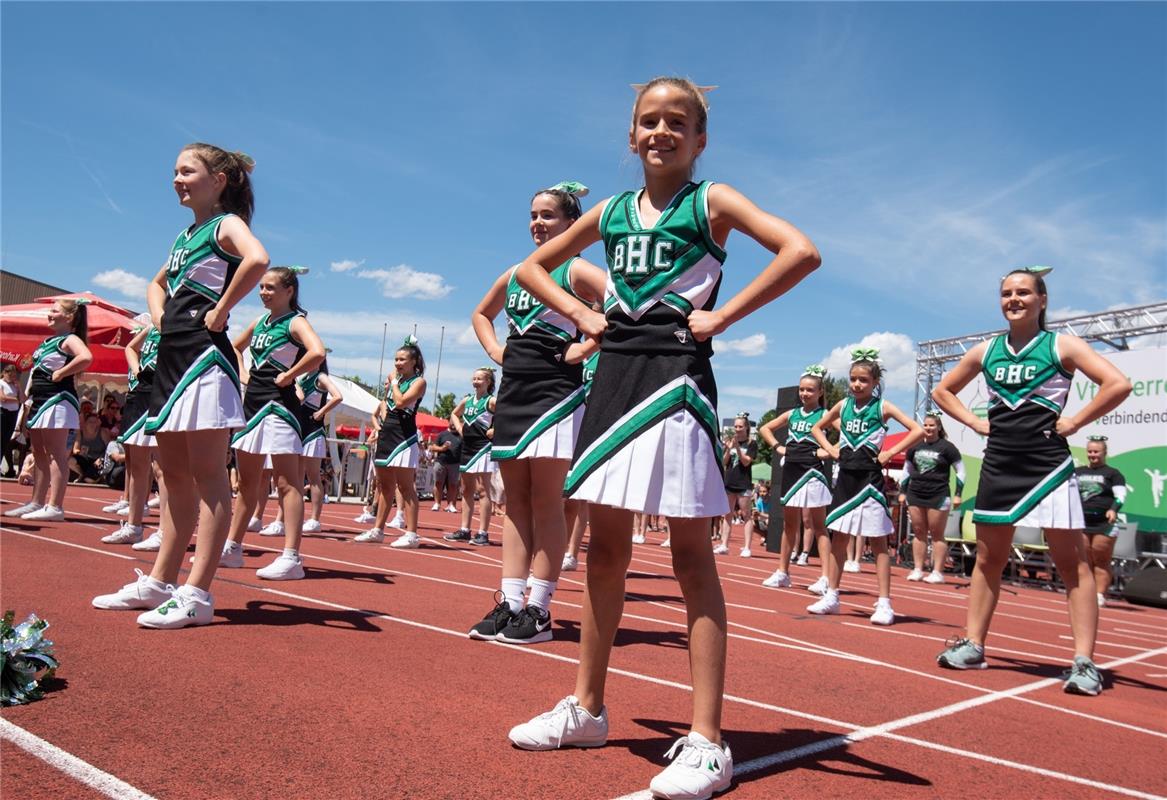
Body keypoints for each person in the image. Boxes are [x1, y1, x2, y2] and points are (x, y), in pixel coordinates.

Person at [507, 77, 821, 800]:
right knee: (605, 550)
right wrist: (584, 318)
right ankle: (586, 708)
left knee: (688, 557)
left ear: (700, 138)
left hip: (677, 380)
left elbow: (799, 251)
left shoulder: (711, 202)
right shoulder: (613, 211)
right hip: (613, 380)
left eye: (676, 122)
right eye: (648, 121)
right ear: (630, 135)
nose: (660, 132)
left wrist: (725, 315)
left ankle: (708, 741)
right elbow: (532, 267)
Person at [932, 266, 1131, 695]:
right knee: (988, 560)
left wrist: (1077, 419)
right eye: (1006, 293)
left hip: (1048, 467)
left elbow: (1118, 383)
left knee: (1071, 565)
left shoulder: (1062, 345)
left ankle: (1083, 663)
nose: (1013, 299)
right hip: (999, 466)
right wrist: (973, 422)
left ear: (1042, 298)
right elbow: (942, 391)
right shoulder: (986, 351)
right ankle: (974, 645)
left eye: (1023, 292)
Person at [98, 143, 269, 629]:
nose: (176, 178)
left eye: (187, 170)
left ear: (219, 179)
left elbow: (258, 259)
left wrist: (220, 309)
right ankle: (159, 581)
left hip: (204, 359)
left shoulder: (225, 225)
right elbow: (155, 285)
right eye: (174, 170)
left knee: (209, 477)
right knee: (171, 476)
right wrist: (158, 320)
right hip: (171, 359)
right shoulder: (184, 236)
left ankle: (197, 593)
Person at [467, 182, 606, 645]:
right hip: (515, 391)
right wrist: (496, 351)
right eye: (533, 214)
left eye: (548, 215)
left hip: (555, 394)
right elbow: (481, 314)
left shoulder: (578, 270)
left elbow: (619, 307)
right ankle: (510, 603)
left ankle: (541, 610)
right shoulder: (517, 273)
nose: (538, 223)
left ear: (572, 224)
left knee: (548, 501)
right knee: (515, 502)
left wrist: (584, 348)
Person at [220, 266, 325, 579]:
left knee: (286, 482)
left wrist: (290, 375)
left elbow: (317, 352)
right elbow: (235, 347)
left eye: (270, 287)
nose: (263, 292)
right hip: (252, 404)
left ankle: (292, 556)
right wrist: (242, 373)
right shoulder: (259, 322)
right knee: (247, 483)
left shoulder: (296, 321)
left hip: (280, 406)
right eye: (261, 287)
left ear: (289, 290)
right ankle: (233, 547)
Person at [809, 349, 923, 625]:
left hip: (870, 480)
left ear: (874, 382)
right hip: (846, 478)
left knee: (879, 541)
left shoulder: (883, 407)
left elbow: (916, 430)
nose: (857, 384)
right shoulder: (842, 406)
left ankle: (884, 603)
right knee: (839, 539)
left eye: (863, 380)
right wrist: (830, 448)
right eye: (853, 379)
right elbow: (817, 427)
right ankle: (832, 595)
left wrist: (888, 452)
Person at [5, 299, 92, 521]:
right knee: (39, 452)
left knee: (55, 453)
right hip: (39, 400)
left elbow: (86, 357)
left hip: (58, 400)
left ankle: (55, 506)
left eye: (55, 311)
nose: (49, 314)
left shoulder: (70, 339)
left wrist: (62, 373)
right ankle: (36, 502)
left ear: (69, 317)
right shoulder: (48, 341)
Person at [759, 365, 831, 591]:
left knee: (819, 525)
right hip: (791, 469)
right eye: (802, 390)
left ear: (820, 392)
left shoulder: (825, 415)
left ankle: (826, 578)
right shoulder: (792, 414)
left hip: (812, 471)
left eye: (810, 390)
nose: (804, 394)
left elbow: (848, 433)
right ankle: (783, 572)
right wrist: (778, 447)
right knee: (789, 524)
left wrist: (828, 451)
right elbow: (765, 429)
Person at [355, 338, 427, 547]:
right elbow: (386, 406)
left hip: (404, 436)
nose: (397, 363)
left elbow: (402, 401)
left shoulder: (418, 382)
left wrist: (394, 383)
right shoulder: (396, 381)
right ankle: (378, 529)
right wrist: (379, 427)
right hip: (388, 433)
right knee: (384, 484)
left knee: (405, 486)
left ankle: (412, 534)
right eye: (395, 359)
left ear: (413, 361)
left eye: (402, 359)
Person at [899, 411, 965, 584]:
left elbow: (961, 471)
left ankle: (937, 572)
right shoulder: (914, 447)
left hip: (939, 494)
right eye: (926, 425)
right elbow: (907, 470)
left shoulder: (947, 448)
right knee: (919, 532)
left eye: (932, 425)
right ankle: (918, 569)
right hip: (916, 493)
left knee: (937, 533)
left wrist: (958, 494)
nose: (928, 428)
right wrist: (902, 491)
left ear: (939, 427)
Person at [445, 368, 497, 545]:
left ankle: (483, 533)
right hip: (467, 447)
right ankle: (465, 530)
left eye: (480, 379)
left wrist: (495, 430)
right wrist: (459, 428)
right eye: (474, 378)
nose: (475, 381)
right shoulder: (467, 400)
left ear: (488, 382)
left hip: (483, 447)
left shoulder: (491, 401)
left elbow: (507, 416)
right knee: (466, 489)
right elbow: (454, 413)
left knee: (483, 490)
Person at [1075, 435, 1127, 607]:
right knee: (1084, 559)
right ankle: (1086, 592)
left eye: (1096, 451)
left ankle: (1099, 595)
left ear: (1104, 453)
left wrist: (1113, 509)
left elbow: (1120, 496)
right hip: (1081, 522)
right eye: (1090, 451)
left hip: (1103, 524)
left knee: (1101, 559)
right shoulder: (1078, 472)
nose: (1092, 454)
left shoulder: (1113, 474)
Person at [295, 355, 343, 533]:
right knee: (297, 477)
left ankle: (315, 519)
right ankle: (295, 516)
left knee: (313, 476)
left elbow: (338, 396)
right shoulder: (302, 378)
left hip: (314, 430)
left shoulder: (321, 377)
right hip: (300, 429)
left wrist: (322, 412)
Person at [716, 415, 757, 557]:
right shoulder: (730, 441)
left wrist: (738, 448)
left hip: (743, 482)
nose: (737, 429)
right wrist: (728, 449)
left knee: (746, 515)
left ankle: (747, 547)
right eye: (736, 426)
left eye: (740, 426)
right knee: (727, 514)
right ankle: (724, 545)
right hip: (729, 481)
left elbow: (746, 462)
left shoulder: (752, 443)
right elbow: (724, 462)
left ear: (746, 428)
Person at [429, 426, 462, 513]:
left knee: (453, 485)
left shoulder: (460, 435)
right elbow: (432, 447)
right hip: (441, 462)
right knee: (438, 483)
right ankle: (437, 503)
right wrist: (442, 448)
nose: (454, 424)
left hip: (455, 463)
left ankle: (451, 505)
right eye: (452, 421)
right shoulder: (442, 434)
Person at [69, 413, 109, 483]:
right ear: (85, 423)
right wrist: (79, 452)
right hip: (86, 458)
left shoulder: (102, 432)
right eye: (90, 422)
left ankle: (98, 477)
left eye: (95, 422)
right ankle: (82, 474)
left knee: (89, 480)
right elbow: (75, 449)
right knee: (70, 460)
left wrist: (101, 458)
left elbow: (109, 448)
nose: (92, 424)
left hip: (99, 460)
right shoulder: (80, 433)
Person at [1, 364, 25, 477]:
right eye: (9, 374)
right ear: (4, 373)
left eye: (13, 375)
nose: (11, 377)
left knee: (6, 441)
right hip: (3, 412)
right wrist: (16, 399)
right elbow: (3, 398)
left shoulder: (15, 386)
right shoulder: (1, 383)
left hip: (13, 413)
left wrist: (19, 387)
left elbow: (23, 399)